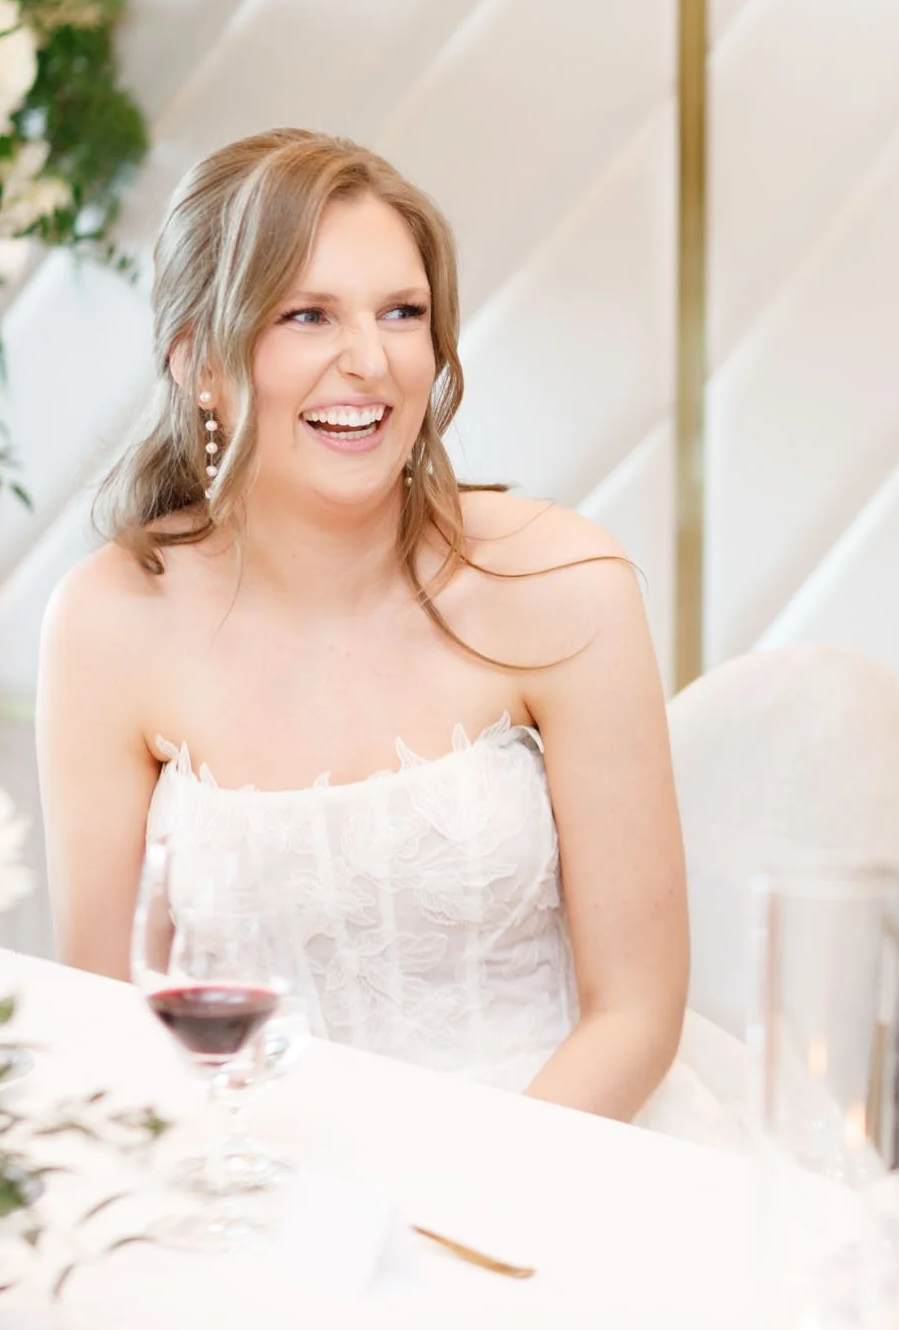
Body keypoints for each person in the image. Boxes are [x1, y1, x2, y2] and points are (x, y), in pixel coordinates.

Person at [37, 127, 727, 1133]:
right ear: (200, 361)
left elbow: (636, 1012)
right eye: (308, 315)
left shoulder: (562, 581)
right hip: (250, 1169)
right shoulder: (109, 621)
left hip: (555, 1147)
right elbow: (107, 1007)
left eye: (402, 313)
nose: (369, 361)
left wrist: (457, 1211)